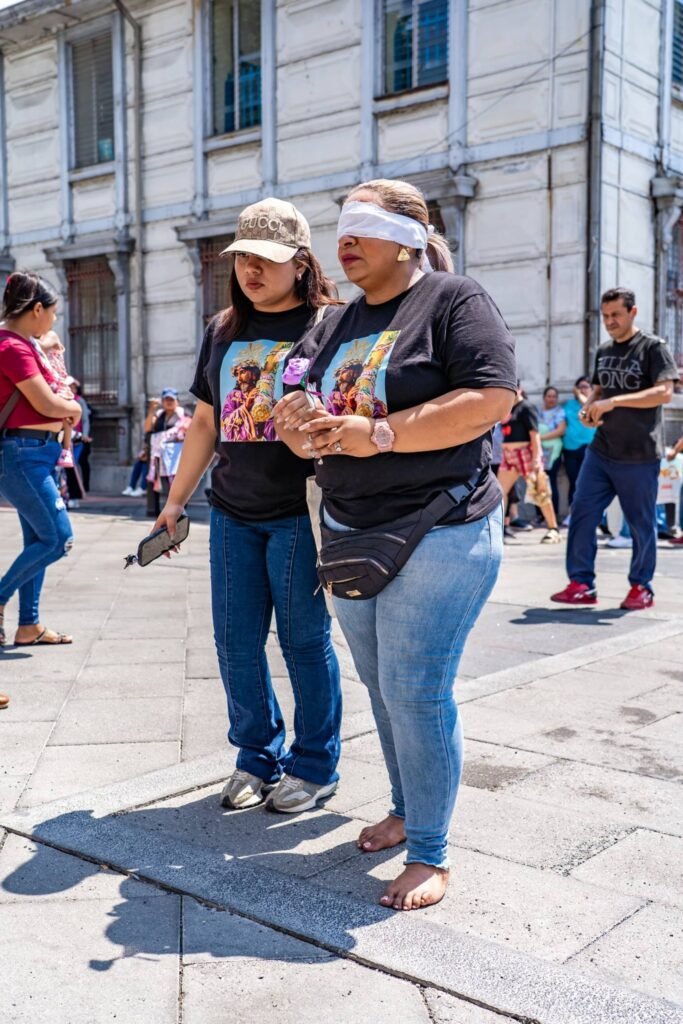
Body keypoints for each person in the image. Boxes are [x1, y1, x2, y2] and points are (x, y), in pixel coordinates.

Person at [274, 178, 516, 911]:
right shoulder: (334, 322)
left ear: (408, 236)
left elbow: (491, 397)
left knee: (416, 689)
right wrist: (295, 424)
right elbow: (297, 394)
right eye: (340, 225)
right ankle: (408, 810)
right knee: (383, 689)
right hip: (350, 527)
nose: (344, 238)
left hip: (438, 525)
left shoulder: (452, 299)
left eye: (363, 225)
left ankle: (432, 854)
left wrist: (379, 434)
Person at [155, 198, 343, 814]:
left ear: (300, 262)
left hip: (298, 511)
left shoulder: (332, 325)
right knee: (234, 643)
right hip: (232, 511)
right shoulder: (223, 329)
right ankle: (255, 757)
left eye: (267, 259)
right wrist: (174, 501)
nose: (252, 271)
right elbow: (207, 419)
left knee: (303, 642)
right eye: (243, 259)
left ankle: (316, 765)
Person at [551, 287, 679, 609]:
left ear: (633, 312)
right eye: (605, 315)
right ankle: (581, 584)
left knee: (641, 524)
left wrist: (612, 403)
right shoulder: (605, 350)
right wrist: (589, 408)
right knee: (582, 514)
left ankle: (642, 587)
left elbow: (664, 393)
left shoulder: (653, 348)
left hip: (639, 455)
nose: (609, 321)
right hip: (602, 452)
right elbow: (598, 389)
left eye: (616, 315)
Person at [0, 270, 80, 647]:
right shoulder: (11, 348)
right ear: (35, 309)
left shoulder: (21, 342)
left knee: (38, 538)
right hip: (23, 454)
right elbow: (45, 403)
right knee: (58, 539)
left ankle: (28, 625)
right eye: (52, 313)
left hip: (34, 452)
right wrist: (73, 409)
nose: (53, 321)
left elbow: (47, 338)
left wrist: (48, 339)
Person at [497, 384, 561, 544]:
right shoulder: (507, 408)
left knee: (540, 491)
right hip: (509, 455)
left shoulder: (526, 407)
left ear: (518, 390)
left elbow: (535, 434)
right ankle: (497, 529)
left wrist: (536, 458)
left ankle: (553, 529)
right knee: (499, 491)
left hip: (526, 452)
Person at [143, 389, 188, 516]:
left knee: (176, 482)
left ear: (177, 401)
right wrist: (151, 410)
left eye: (171, 399)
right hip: (158, 454)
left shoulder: (183, 414)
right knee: (154, 480)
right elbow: (147, 429)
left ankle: (179, 509)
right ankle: (153, 509)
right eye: (166, 400)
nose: (169, 402)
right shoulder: (159, 415)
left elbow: (189, 429)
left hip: (177, 455)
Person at [538, 385, 565, 516]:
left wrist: (540, 437)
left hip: (553, 452)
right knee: (538, 484)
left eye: (554, 396)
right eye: (549, 396)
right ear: (544, 398)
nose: (551, 399)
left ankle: (553, 516)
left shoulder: (560, 412)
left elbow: (560, 430)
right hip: (538, 452)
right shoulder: (537, 412)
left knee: (551, 483)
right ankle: (540, 516)